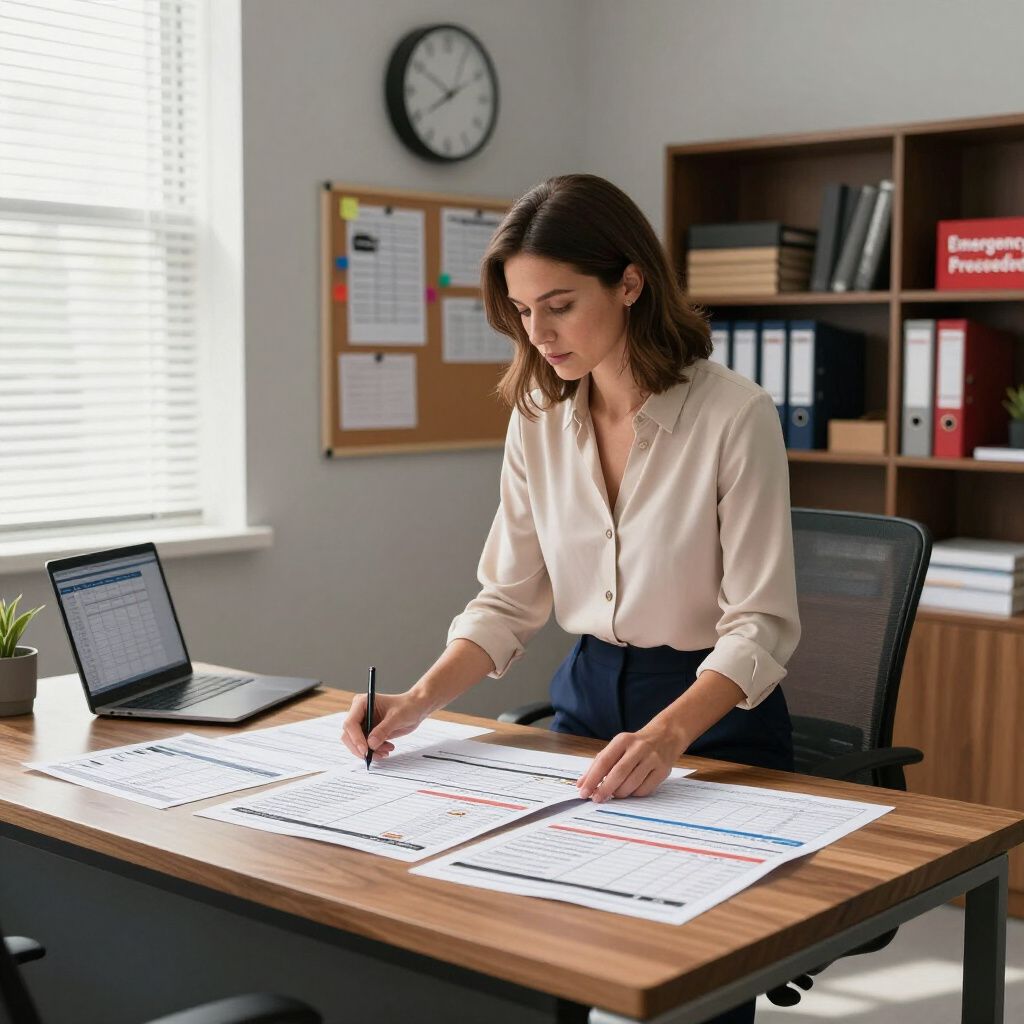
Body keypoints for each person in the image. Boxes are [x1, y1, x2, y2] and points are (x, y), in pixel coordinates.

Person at [342, 173, 800, 1024]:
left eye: (558, 304)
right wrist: (418, 700)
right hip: (586, 698)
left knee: (689, 981)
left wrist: (667, 735)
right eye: (521, 310)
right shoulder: (536, 419)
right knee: (548, 953)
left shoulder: (736, 416)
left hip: (711, 714)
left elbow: (762, 624)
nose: (538, 332)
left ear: (629, 283)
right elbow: (507, 600)